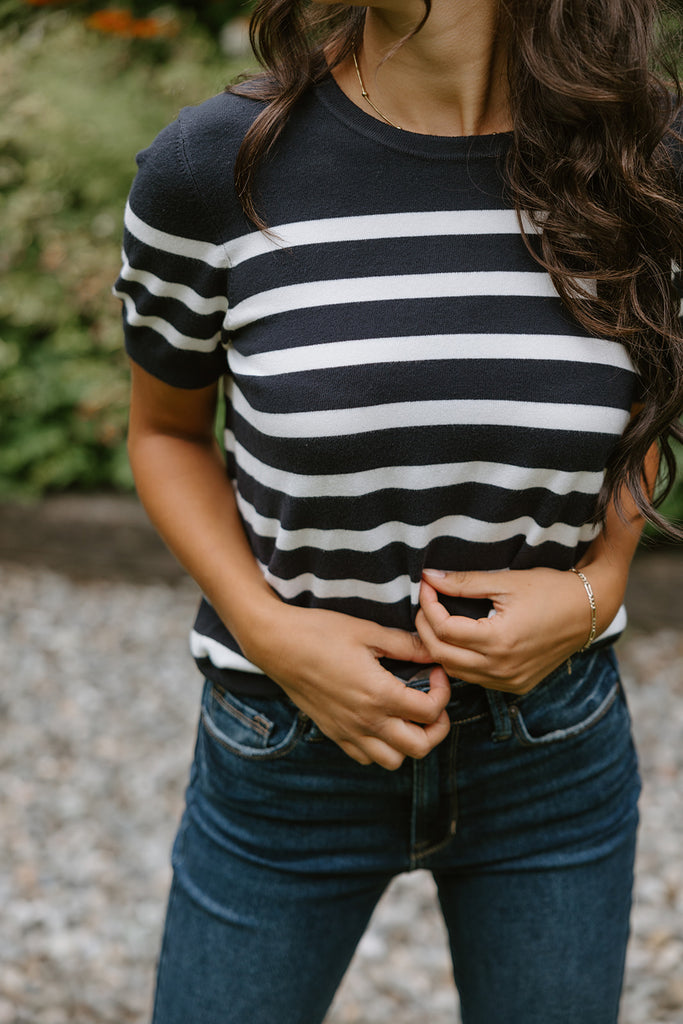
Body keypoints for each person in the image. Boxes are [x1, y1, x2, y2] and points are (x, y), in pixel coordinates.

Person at [114, 0, 683, 1021]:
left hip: (551, 754)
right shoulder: (210, 168)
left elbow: (644, 418)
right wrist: (269, 628)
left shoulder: (643, 162)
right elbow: (161, 433)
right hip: (285, 751)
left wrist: (597, 588)